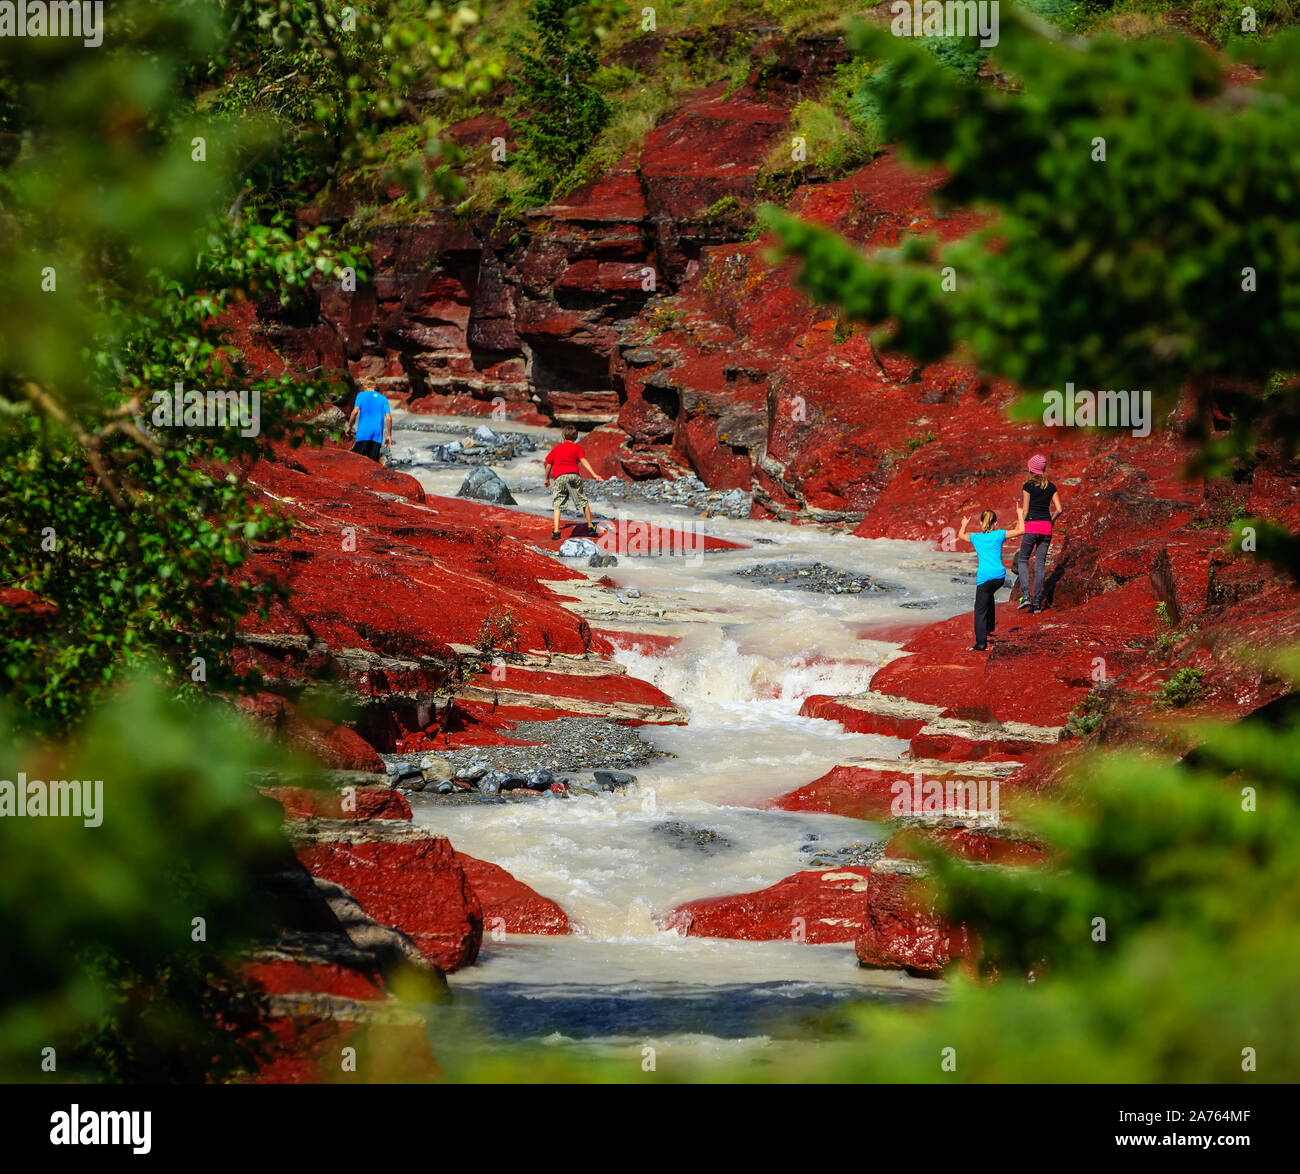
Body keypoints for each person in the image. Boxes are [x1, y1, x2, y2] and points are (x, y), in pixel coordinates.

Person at [958, 503, 1025, 652]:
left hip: (985, 577)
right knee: (989, 596)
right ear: (995, 523)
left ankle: (980, 644)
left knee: (980, 609)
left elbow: (961, 536)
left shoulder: (976, 537)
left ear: (981, 523)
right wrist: (1019, 513)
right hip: (999, 577)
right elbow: (1021, 530)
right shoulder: (999, 534)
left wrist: (964, 524)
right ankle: (989, 627)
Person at [1017, 453, 1063, 613]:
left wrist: (1021, 523)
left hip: (1032, 527)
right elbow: (1059, 509)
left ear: (1031, 469)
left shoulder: (1028, 486)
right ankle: (1037, 603)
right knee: (1040, 565)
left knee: (1022, 559)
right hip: (1046, 528)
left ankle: (1026, 596)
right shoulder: (1051, 487)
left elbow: (1025, 510)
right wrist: (1050, 519)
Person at [544, 425, 603, 540]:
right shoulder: (577, 449)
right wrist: (594, 474)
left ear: (563, 436)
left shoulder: (557, 448)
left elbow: (548, 464)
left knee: (558, 504)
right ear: (575, 438)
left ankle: (556, 532)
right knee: (583, 501)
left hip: (560, 477)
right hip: (574, 476)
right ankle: (590, 526)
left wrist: (547, 479)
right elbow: (584, 461)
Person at [347, 384, 391, 462]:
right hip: (377, 435)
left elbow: (355, 411)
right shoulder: (383, 398)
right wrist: (389, 435)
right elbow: (389, 418)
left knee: (358, 461)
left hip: (363, 433)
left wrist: (349, 426)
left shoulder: (361, 395)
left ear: (365, 386)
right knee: (372, 464)